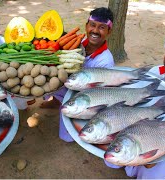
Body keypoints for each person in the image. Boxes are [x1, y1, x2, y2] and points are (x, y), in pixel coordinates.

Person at [105, 25, 165, 179]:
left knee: (149, 173)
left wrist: (154, 155)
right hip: (147, 130)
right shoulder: (156, 72)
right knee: (112, 157)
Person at [41, 7, 115, 142]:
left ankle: (64, 103)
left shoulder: (106, 61)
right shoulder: (78, 43)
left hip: (84, 95)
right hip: (66, 82)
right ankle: (55, 100)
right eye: (92, 25)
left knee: (66, 138)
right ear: (86, 26)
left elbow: (98, 93)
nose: (95, 31)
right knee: (46, 74)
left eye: (102, 28)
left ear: (109, 31)